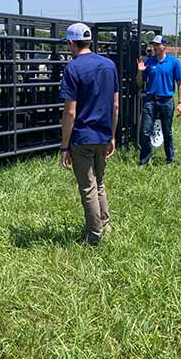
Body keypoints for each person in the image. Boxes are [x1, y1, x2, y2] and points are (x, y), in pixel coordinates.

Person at [59, 23, 119, 245]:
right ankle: (105, 225)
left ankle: (94, 236)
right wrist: (112, 135)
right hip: (103, 135)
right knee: (99, 183)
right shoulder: (109, 65)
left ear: (71, 43)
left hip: (83, 137)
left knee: (87, 188)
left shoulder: (73, 69)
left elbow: (70, 111)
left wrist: (65, 146)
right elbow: (115, 105)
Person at [137, 35, 181, 166]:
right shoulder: (148, 62)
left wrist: (180, 103)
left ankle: (170, 159)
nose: (155, 47)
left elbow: (180, 83)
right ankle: (144, 160)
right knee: (145, 130)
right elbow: (140, 83)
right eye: (154, 45)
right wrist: (140, 72)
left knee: (167, 131)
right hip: (150, 100)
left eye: (157, 44)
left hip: (167, 100)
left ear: (164, 46)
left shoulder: (173, 62)